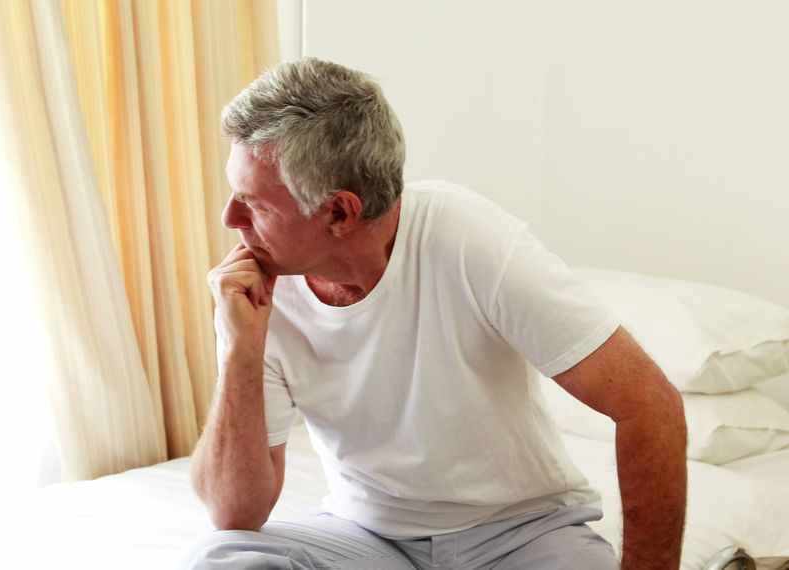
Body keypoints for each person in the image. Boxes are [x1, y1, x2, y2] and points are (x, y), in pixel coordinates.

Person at [183, 57, 686, 569]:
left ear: (338, 212)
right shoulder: (255, 294)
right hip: (365, 536)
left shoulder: (467, 238)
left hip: (519, 535)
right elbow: (235, 512)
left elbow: (649, 405)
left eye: (255, 204)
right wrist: (241, 348)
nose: (229, 219)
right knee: (220, 558)